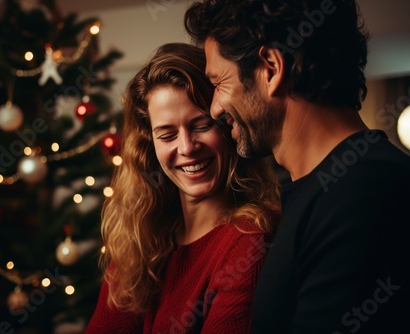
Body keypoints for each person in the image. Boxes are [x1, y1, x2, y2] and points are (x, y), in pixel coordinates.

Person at [184, 1, 410, 333]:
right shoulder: (322, 190)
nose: (215, 108)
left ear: (270, 68)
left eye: (218, 82)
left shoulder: (367, 191)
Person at [84, 42, 280, 333]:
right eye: (167, 134)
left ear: (228, 125)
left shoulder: (248, 240)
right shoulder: (139, 237)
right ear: (149, 145)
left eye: (201, 125)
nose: (187, 147)